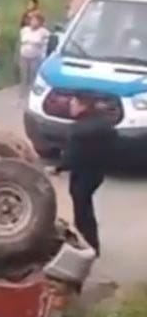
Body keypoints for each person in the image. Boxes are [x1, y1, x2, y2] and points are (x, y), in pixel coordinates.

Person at [55, 96, 113, 256]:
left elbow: (72, 155)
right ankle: (92, 244)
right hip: (96, 172)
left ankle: (86, 245)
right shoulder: (102, 122)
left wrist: (58, 168)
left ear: (83, 106)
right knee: (85, 207)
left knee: (82, 210)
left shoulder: (78, 130)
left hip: (83, 174)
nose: (70, 106)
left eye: (73, 104)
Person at [19, 13, 49, 101]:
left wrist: (44, 56)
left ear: (40, 22)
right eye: (32, 20)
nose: (33, 22)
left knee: (33, 76)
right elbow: (20, 42)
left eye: (36, 20)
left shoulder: (43, 32)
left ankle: (32, 95)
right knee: (24, 75)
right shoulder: (24, 30)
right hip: (24, 55)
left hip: (36, 56)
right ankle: (22, 95)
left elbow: (45, 45)